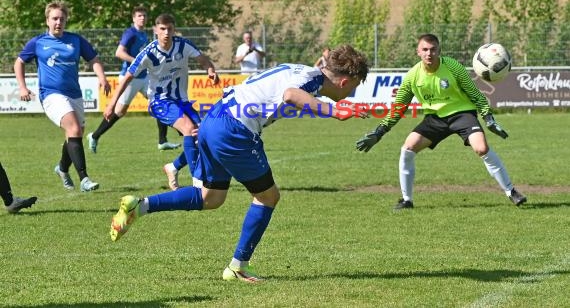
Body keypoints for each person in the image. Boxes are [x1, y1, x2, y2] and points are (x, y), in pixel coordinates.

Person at [109, 44, 370, 283]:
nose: (351, 93)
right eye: (353, 87)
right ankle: (238, 266)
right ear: (345, 81)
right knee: (268, 197)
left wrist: (215, 125)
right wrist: (335, 111)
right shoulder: (310, 79)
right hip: (235, 129)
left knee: (210, 198)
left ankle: (139, 207)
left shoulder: (300, 69)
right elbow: (291, 95)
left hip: (218, 116)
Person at [356, 33, 527, 209]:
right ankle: (406, 200)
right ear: (418, 52)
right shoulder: (412, 76)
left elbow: (476, 95)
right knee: (408, 148)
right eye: (425, 50)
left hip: (462, 114)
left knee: (481, 148)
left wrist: (488, 118)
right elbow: (398, 108)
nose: (429, 53)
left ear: (439, 51)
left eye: (433, 50)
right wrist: (380, 131)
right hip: (434, 118)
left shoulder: (453, 67)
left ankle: (511, 192)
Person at [104, 13, 219, 191]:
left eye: (169, 29)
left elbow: (203, 59)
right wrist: (111, 104)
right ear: (156, 30)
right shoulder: (148, 53)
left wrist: (210, 70)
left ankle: (173, 168)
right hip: (160, 102)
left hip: (182, 101)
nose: (166, 32)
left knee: (203, 136)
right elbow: (127, 78)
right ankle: (198, 182)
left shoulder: (183, 45)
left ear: (174, 30)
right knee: (189, 129)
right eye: (162, 29)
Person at [14, 0, 111, 192]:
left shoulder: (76, 40)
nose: (58, 22)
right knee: (74, 128)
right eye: (54, 19)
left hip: (74, 94)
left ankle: (62, 168)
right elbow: (19, 62)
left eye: (62, 19)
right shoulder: (38, 42)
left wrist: (102, 78)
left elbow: (94, 59)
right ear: (47, 20)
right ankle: (84, 179)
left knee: (75, 133)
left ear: (66, 20)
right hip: (50, 95)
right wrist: (22, 87)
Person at [87, 6, 180, 153]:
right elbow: (119, 53)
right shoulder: (130, 33)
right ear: (133, 18)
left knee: (159, 102)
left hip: (145, 77)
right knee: (119, 112)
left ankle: (162, 141)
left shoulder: (144, 35)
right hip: (130, 77)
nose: (142, 18)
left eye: (144, 15)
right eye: (139, 15)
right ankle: (95, 135)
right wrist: (138, 62)